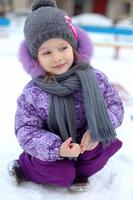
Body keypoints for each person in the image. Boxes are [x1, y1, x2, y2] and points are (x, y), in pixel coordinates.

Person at [8, 0, 124, 192]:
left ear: (74, 46)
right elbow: (26, 129)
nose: (58, 58)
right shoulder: (34, 93)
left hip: (86, 143)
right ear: (36, 58)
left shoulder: (94, 79)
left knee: (102, 148)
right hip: (54, 150)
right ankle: (25, 167)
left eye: (63, 47)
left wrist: (97, 130)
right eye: (47, 52)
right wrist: (57, 148)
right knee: (61, 174)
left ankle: (80, 171)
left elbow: (114, 105)